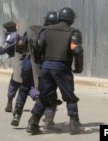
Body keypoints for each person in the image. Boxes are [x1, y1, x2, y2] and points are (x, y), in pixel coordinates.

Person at [26, 7, 84, 135]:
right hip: (62, 68)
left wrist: (41, 63)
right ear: (71, 19)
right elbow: (77, 50)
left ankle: (33, 123)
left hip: (46, 68)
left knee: (44, 96)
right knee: (70, 97)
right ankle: (74, 124)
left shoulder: (45, 30)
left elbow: (38, 46)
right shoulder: (73, 32)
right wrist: (78, 68)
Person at [11, 11, 63, 133]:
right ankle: (49, 121)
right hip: (41, 64)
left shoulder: (32, 29)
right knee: (48, 92)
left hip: (28, 62)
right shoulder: (52, 33)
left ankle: (17, 115)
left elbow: (19, 45)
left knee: (24, 88)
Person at [0, 21, 22, 112]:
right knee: (25, 83)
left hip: (20, 63)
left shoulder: (12, 36)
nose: (3, 30)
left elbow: (3, 49)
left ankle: (10, 104)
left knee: (15, 82)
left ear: (7, 29)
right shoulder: (18, 34)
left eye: (4, 28)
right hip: (23, 62)